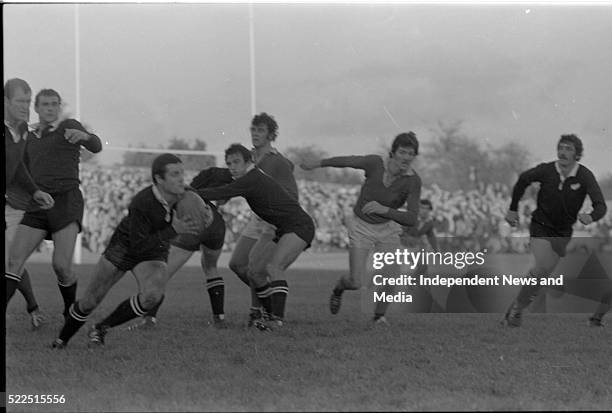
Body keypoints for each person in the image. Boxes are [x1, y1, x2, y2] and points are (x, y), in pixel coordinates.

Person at [51, 154, 203, 348]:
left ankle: (100, 328)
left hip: (155, 248)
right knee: (90, 300)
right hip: (125, 246)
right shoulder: (142, 202)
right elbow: (138, 245)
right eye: (175, 174)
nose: (182, 178)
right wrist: (174, 230)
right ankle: (61, 341)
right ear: (159, 179)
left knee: (152, 296)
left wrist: (204, 215)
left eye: (182, 173)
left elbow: (199, 210)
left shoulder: (186, 195)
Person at [301, 132, 421, 325]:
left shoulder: (413, 181)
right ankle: (339, 289)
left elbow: (412, 218)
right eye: (403, 152)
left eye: (411, 154)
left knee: (392, 277)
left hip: (388, 229)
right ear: (393, 152)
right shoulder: (375, 163)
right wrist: (318, 163)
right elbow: (348, 161)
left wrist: (385, 210)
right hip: (361, 227)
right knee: (356, 282)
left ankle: (379, 317)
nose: (406, 157)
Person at [6, 89, 102, 323]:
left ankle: (71, 311)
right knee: (13, 262)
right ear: (36, 108)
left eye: (54, 104)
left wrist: (85, 137)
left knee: (60, 265)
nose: (50, 108)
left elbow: (96, 145)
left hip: (66, 201)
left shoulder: (68, 126)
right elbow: (20, 172)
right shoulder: (28, 137)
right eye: (45, 104)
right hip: (38, 202)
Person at [198, 144, 315, 330]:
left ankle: (276, 320)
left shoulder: (252, 178)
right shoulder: (250, 177)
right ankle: (270, 316)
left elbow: (222, 192)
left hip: (300, 226)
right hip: (284, 228)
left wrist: (188, 194)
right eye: (229, 164)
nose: (232, 167)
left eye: (236, 162)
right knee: (255, 273)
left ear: (249, 161)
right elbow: (224, 191)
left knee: (274, 267)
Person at [503, 134, 607, 327]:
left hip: (563, 232)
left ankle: (515, 308)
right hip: (541, 225)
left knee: (541, 274)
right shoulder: (547, 170)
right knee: (541, 267)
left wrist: (591, 216)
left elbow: (601, 205)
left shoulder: (584, 175)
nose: (563, 152)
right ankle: (517, 311)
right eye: (561, 147)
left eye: (568, 149)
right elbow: (523, 179)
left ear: (577, 154)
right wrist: (512, 208)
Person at [127, 166, 233, 330]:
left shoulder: (180, 193)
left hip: (192, 225)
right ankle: (219, 319)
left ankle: (149, 320)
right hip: (216, 224)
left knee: (161, 273)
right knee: (211, 268)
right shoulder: (204, 195)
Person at [227, 113, 300, 326]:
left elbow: (291, 193)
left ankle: (257, 311)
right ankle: (268, 300)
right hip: (256, 218)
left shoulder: (277, 161)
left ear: (271, 134)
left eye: (261, 130)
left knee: (255, 267)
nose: (256, 134)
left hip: (272, 220)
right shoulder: (249, 157)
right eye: (253, 129)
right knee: (237, 264)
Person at [4, 78, 55, 327]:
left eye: (27, 101)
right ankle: (34, 308)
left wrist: (35, 191)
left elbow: (20, 165)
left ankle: (33, 308)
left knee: (14, 259)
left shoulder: (23, 128)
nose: (25, 106)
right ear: (5, 101)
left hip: (13, 203)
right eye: (19, 101)